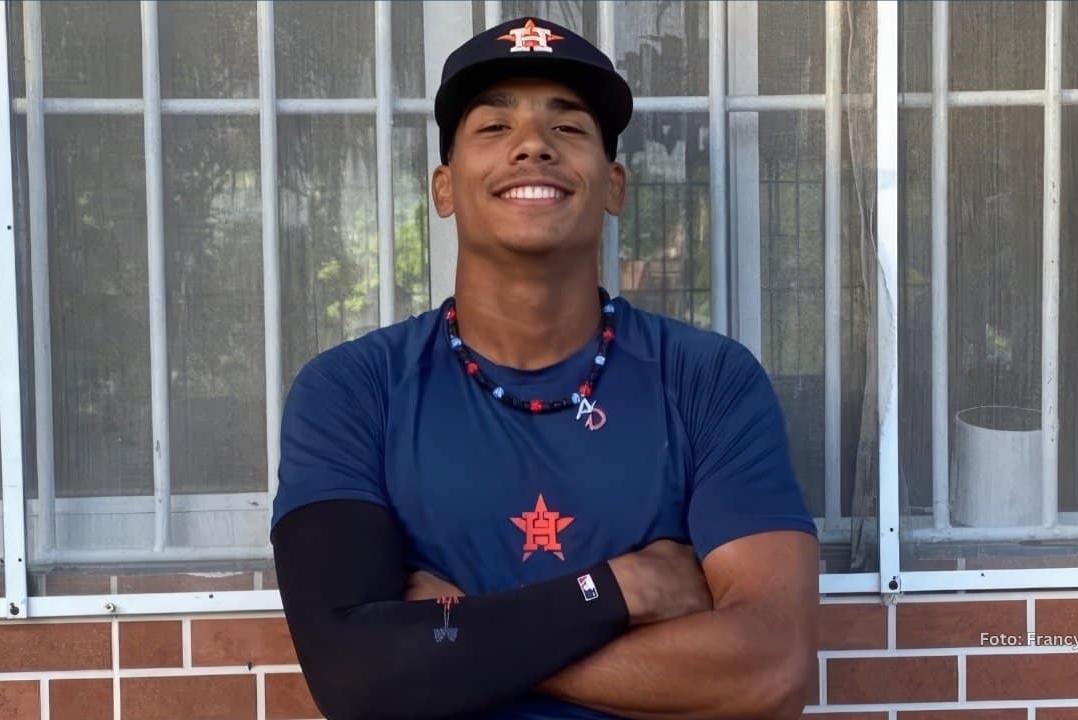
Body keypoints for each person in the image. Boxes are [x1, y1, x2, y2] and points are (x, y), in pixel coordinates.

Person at [271, 16, 820, 720]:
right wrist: (619, 591)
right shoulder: (353, 391)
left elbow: (771, 671)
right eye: (494, 127)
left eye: (567, 127)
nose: (532, 144)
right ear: (444, 188)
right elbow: (356, 677)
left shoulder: (707, 380)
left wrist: (463, 631)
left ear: (614, 185)